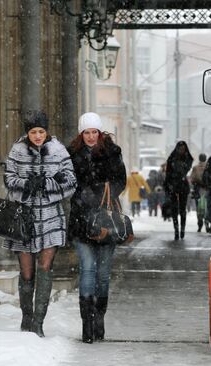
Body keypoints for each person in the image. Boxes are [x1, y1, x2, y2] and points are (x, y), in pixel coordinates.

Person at [4, 110, 77, 337]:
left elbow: (71, 181)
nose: (37, 136)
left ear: (47, 131)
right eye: (34, 132)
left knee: (45, 267)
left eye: (41, 132)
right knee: (27, 272)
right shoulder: (17, 150)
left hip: (51, 218)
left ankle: (38, 323)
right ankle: (26, 318)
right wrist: (27, 185)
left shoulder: (58, 150)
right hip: (23, 219)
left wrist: (47, 185)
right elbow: (8, 178)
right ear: (28, 133)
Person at [67, 112, 127, 344]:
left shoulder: (112, 152)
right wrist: (83, 196)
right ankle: (87, 322)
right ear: (81, 134)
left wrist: (101, 192)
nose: (91, 137)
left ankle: (99, 315)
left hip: (105, 221)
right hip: (81, 221)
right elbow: (68, 181)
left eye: (94, 132)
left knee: (103, 275)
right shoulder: (71, 154)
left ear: (100, 133)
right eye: (86, 132)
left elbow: (120, 181)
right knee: (87, 270)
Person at [164, 141, 193, 240]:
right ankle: (176, 230)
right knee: (174, 209)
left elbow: (185, 170)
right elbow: (168, 173)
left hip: (183, 186)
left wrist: (179, 167)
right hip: (172, 185)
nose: (181, 151)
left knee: (182, 209)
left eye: (183, 149)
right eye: (180, 149)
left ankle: (182, 230)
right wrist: (168, 184)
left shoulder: (187, 159)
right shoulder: (171, 158)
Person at [189, 153, 208, 232]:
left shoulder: (195, 168)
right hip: (207, 190)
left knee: (199, 208)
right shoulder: (208, 167)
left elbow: (192, 179)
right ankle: (207, 222)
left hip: (197, 190)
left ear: (199, 159)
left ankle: (200, 224)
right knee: (207, 207)